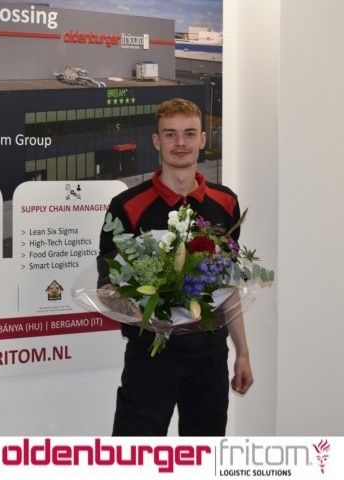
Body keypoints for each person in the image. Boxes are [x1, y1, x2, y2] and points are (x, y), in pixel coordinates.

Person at [97, 98, 253, 436]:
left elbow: (230, 287)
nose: (180, 143)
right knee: (133, 458)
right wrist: (148, 317)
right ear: (157, 141)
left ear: (202, 139)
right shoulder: (126, 206)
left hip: (210, 355)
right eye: (170, 134)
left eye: (188, 133)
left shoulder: (226, 203)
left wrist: (242, 353)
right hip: (151, 356)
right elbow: (108, 289)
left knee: (204, 458)